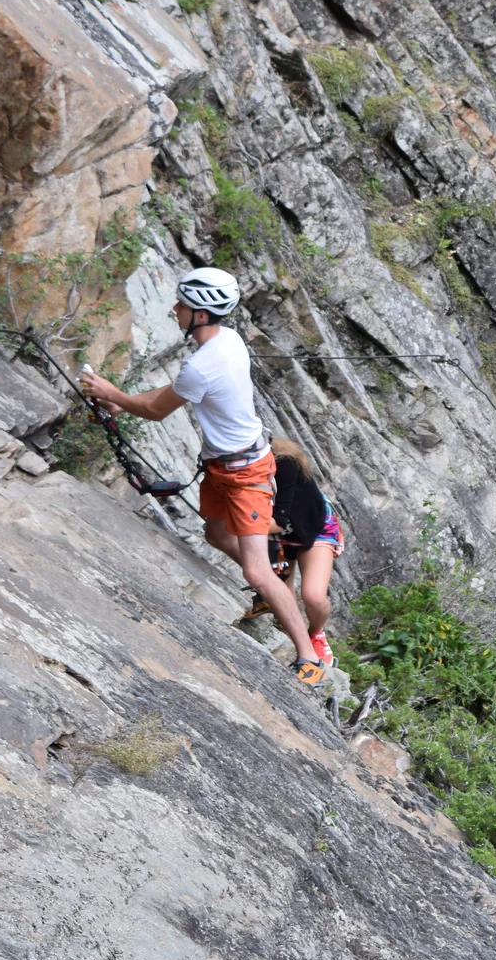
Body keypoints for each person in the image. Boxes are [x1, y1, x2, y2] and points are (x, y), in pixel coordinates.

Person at [79, 268, 325, 684]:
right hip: (224, 464)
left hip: (245, 473)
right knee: (215, 534)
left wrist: (110, 393)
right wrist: (121, 402)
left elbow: (157, 410)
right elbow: (170, 394)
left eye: (183, 304)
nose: (175, 309)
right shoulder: (228, 341)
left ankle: (309, 655)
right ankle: (275, 582)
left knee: (256, 572)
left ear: (202, 313)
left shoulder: (203, 363)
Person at [256, 437, 345, 667]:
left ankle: (316, 633)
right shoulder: (237, 466)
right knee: (282, 594)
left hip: (313, 529)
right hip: (276, 533)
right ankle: (294, 636)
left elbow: (279, 518)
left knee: (314, 596)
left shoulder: (284, 463)